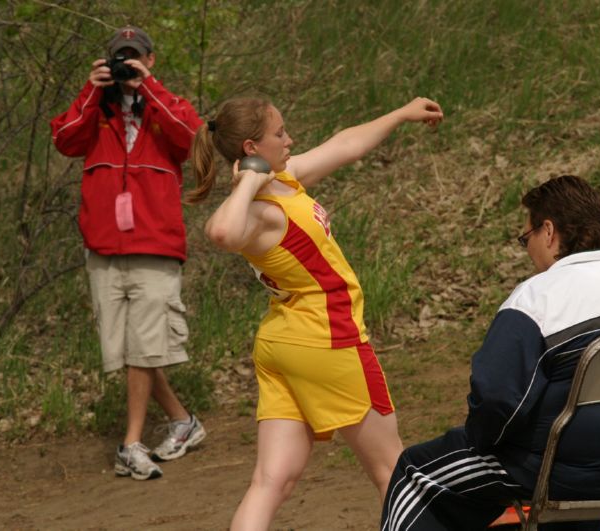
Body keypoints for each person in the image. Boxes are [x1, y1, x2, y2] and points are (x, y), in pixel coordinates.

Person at [381, 175, 600, 531]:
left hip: (562, 471)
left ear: (547, 230)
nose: (528, 249)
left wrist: (485, 443)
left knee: (415, 472)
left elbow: (497, 400)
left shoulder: (537, 298)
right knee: (565, 466)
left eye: (525, 238)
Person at [185, 96, 443, 529]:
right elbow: (221, 232)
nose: (290, 139)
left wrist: (399, 114)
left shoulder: (282, 179)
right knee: (392, 474)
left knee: (271, 480)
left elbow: (344, 146)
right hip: (330, 339)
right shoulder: (258, 210)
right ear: (251, 149)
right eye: (280, 134)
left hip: (285, 343)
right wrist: (246, 182)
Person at [50, 26, 205, 480]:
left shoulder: (166, 106)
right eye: (120, 60)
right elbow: (64, 141)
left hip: (155, 246)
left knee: (143, 346)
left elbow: (192, 138)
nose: (126, 67)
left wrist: (148, 89)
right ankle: (183, 422)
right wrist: (89, 92)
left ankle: (131, 443)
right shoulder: (95, 113)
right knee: (126, 350)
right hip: (104, 249)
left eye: (134, 59)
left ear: (150, 61)